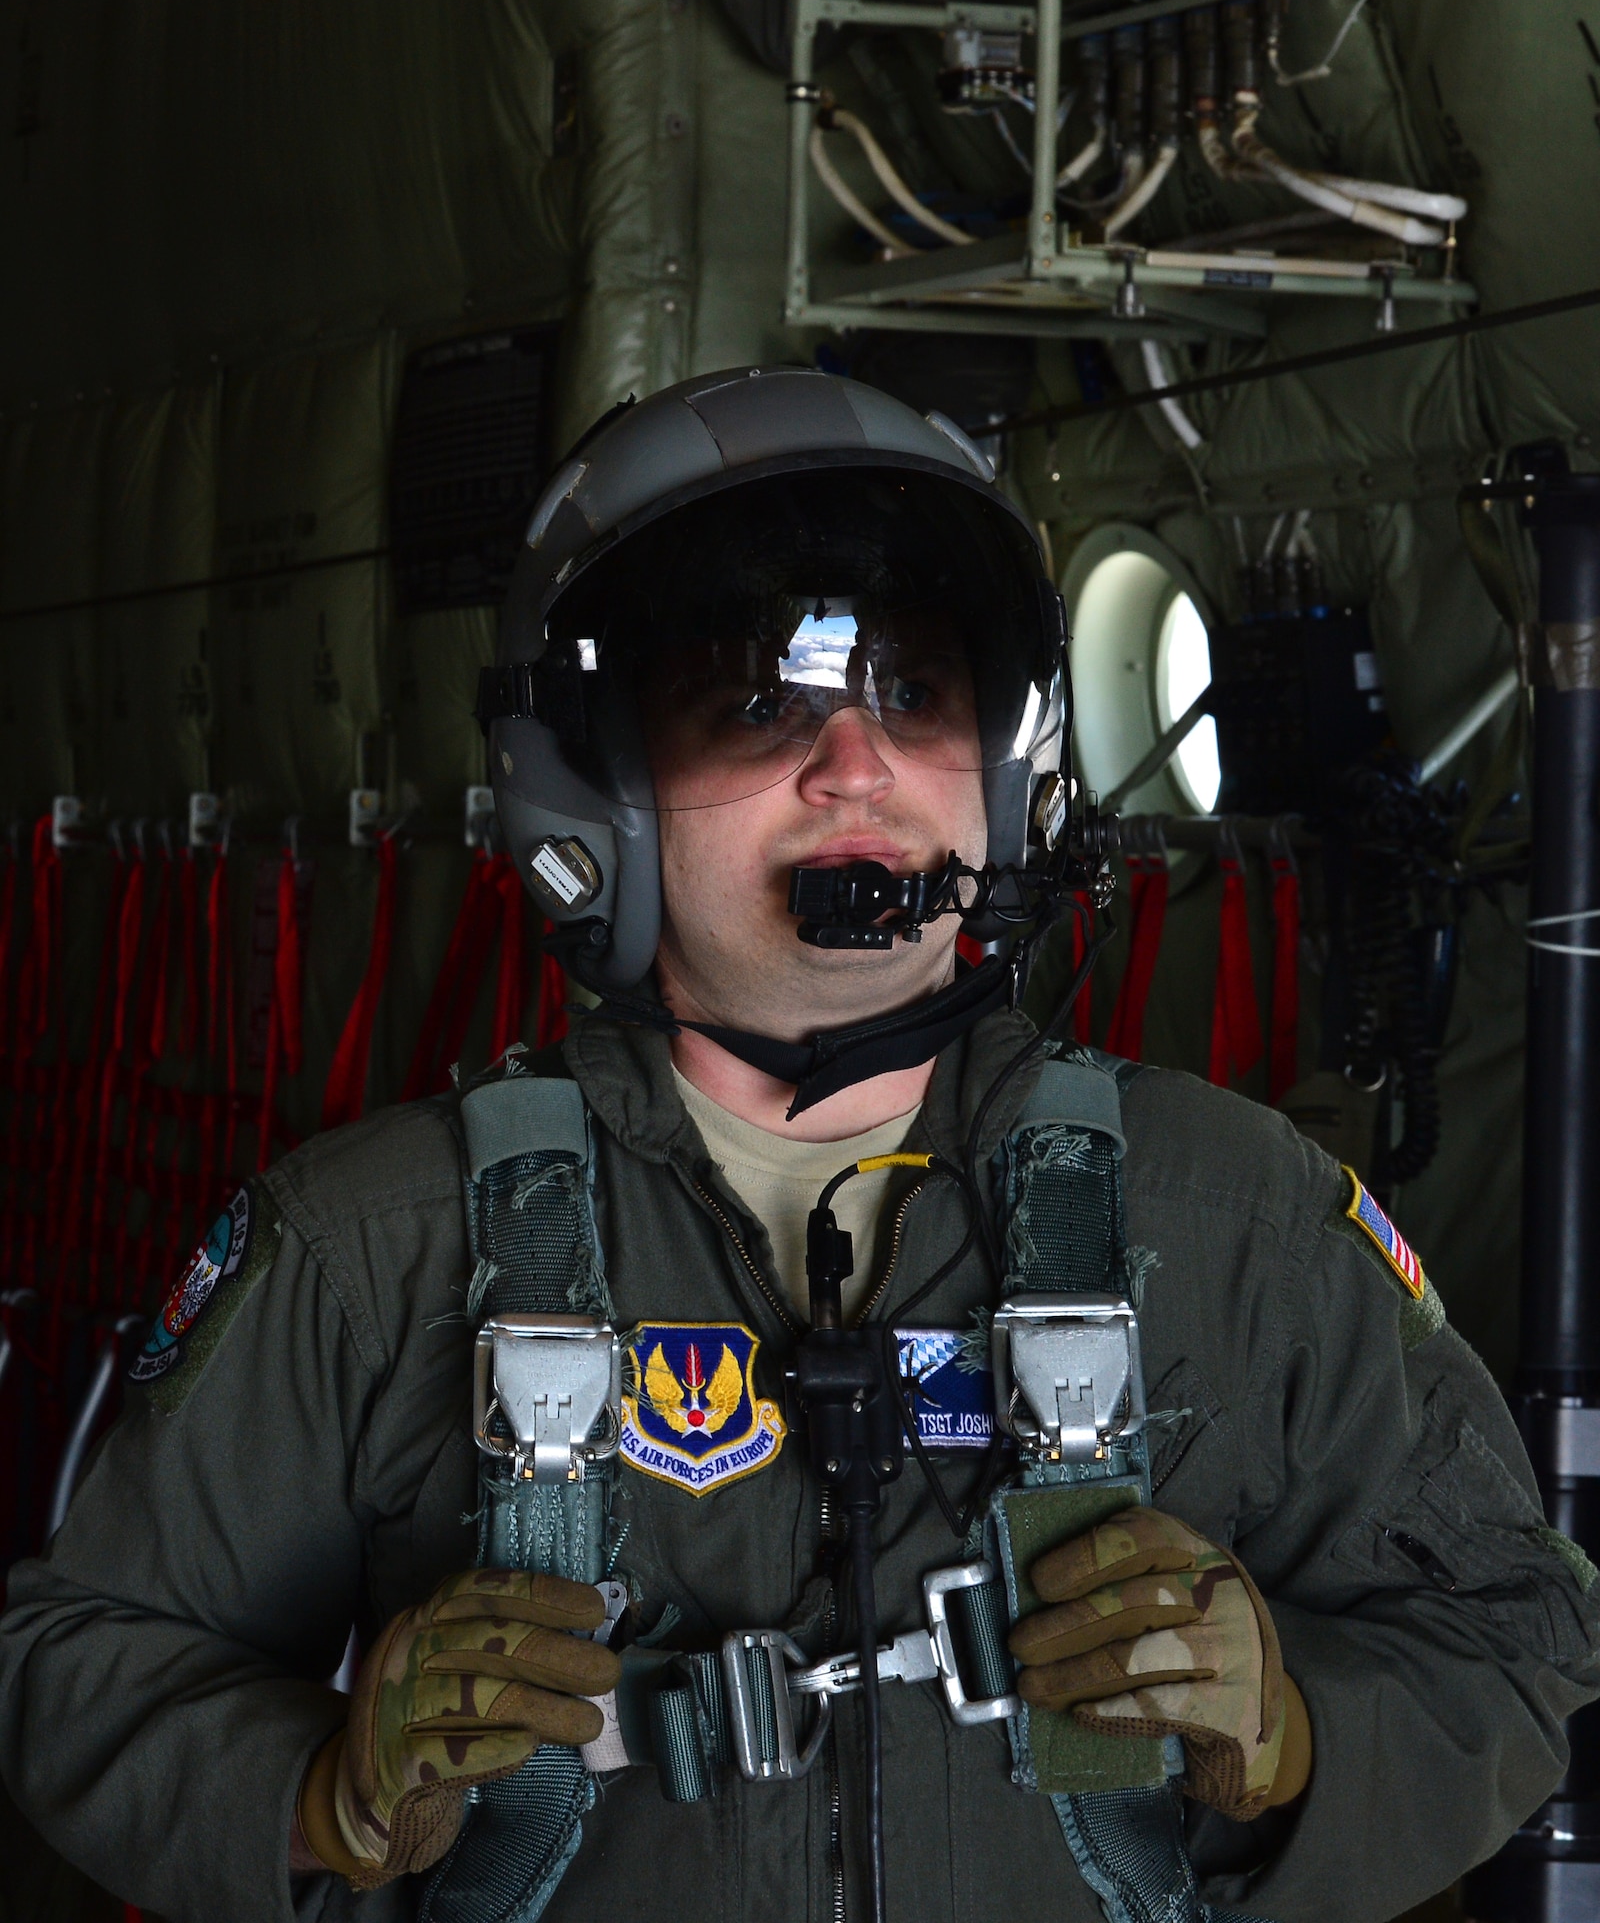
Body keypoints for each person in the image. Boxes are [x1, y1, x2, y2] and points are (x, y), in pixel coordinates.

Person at [1, 367, 1596, 1923]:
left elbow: (1516, 1637)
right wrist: (325, 1792)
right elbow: (79, 1667)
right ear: (595, 784)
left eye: (914, 694)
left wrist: (1295, 1732)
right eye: (757, 705)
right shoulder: (377, 1247)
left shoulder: (1237, 1220)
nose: (857, 767)